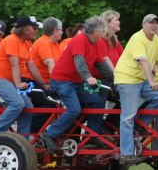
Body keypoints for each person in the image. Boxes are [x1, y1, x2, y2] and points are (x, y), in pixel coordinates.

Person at [38, 16, 112, 153]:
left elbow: (101, 65)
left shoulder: (94, 44)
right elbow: (80, 62)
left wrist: (117, 80)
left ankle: (92, 136)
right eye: (103, 31)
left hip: (76, 82)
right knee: (74, 109)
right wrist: (88, 77)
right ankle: (49, 134)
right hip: (62, 81)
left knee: (97, 101)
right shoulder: (79, 40)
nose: (103, 34)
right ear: (95, 32)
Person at [113, 14, 158, 164]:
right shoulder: (137, 38)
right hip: (127, 79)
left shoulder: (156, 41)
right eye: (151, 23)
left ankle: (137, 127)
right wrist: (152, 81)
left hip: (141, 80)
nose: (154, 25)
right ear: (143, 24)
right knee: (128, 115)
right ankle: (126, 154)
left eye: (156, 23)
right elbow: (144, 62)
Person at [0, 16, 41, 136]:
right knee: (18, 103)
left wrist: (44, 84)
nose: (36, 31)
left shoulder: (26, 43)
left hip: (8, 81)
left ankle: (22, 140)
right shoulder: (12, 40)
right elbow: (14, 65)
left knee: (28, 107)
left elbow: (31, 66)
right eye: (34, 28)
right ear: (25, 29)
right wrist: (18, 84)